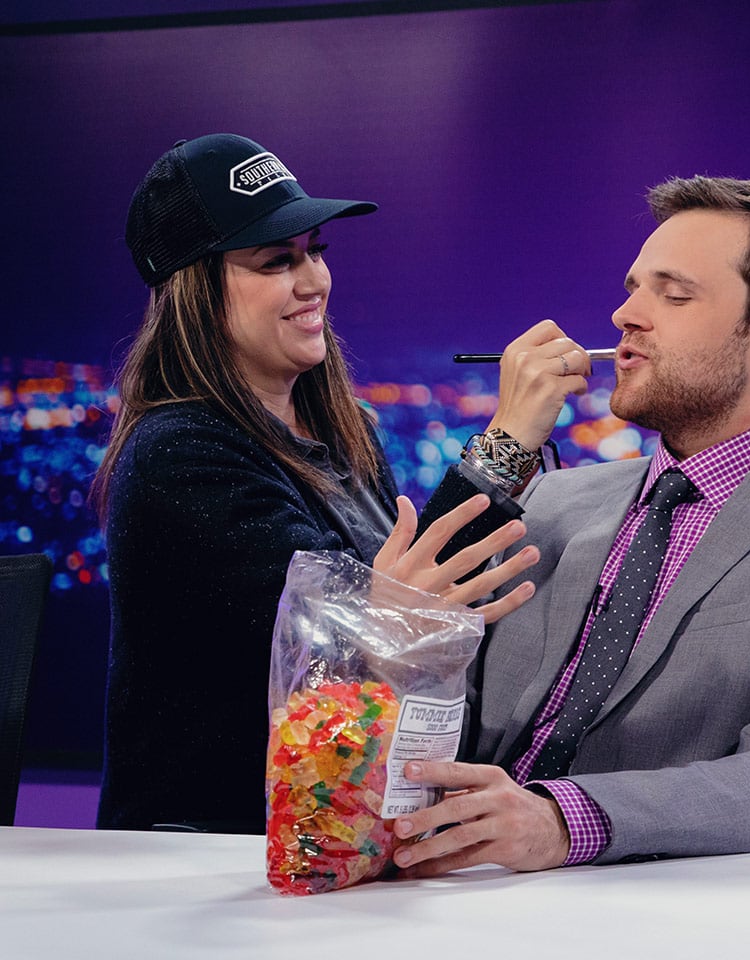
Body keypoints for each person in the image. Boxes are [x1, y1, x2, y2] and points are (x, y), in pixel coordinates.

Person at [389, 176, 750, 874]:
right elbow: (416, 649)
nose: (626, 315)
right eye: (631, 290)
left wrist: (561, 820)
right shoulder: (558, 500)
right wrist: (507, 440)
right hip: (440, 894)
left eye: (673, 294)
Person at [92, 134, 582, 832]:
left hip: (338, 835)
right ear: (196, 292)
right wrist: (503, 444)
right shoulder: (179, 453)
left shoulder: (342, 429)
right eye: (276, 260)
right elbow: (354, 633)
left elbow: (403, 609)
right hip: (212, 854)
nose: (314, 279)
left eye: (315, 250)